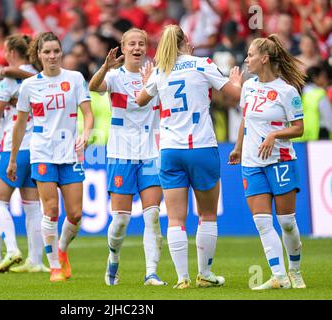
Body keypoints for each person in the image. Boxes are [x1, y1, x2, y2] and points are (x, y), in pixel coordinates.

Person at [136, 25, 242, 289]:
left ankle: (182, 278)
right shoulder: (201, 63)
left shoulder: (160, 70)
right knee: (207, 215)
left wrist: (146, 81)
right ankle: (204, 273)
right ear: (187, 42)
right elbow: (235, 95)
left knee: (175, 218)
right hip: (201, 147)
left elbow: (140, 100)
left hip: (170, 150)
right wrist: (237, 81)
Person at [7, 32, 94, 282]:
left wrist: (86, 134)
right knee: (51, 209)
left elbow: (88, 114)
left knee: (76, 214)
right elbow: (20, 125)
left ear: (61, 53)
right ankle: (54, 266)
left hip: (70, 153)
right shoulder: (30, 86)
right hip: (42, 152)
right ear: (39, 55)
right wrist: (13, 158)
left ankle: (62, 250)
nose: (52, 56)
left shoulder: (75, 79)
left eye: (56, 50)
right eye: (47, 52)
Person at [228, 34, 307, 290]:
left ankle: (295, 270)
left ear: (264, 58)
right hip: (252, 163)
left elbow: (298, 129)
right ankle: (280, 277)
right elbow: (245, 120)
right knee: (262, 222)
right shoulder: (249, 86)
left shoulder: (287, 91)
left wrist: (275, 134)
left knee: (286, 222)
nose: (246, 59)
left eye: (250, 55)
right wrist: (238, 147)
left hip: (280, 161)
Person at [88, 28, 166, 286]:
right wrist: (105, 66)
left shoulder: (157, 75)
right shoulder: (113, 76)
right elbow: (94, 87)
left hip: (151, 152)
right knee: (121, 219)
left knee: (152, 215)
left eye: (141, 44)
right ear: (122, 48)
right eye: (131, 43)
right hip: (121, 152)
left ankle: (151, 273)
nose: (136, 48)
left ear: (146, 48)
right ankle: (113, 259)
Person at [0, 34, 49, 274]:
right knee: (33, 206)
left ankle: (8, 250)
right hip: (37, 147)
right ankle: (35, 260)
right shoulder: (40, 77)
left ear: (12, 52)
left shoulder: (8, 78)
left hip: (10, 144)